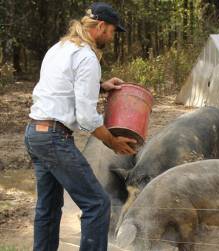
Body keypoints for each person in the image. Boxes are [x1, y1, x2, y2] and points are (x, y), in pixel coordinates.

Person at [24, 2, 136, 251]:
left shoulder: (60, 47)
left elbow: (60, 87)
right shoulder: (86, 56)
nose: (112, 37)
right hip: (54, 138)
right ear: (101, 26)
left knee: (48, 207)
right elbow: (86, 117)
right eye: (112, 31)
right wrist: (112, 141)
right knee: (97, 204)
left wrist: (100, 85)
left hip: (35, 134)